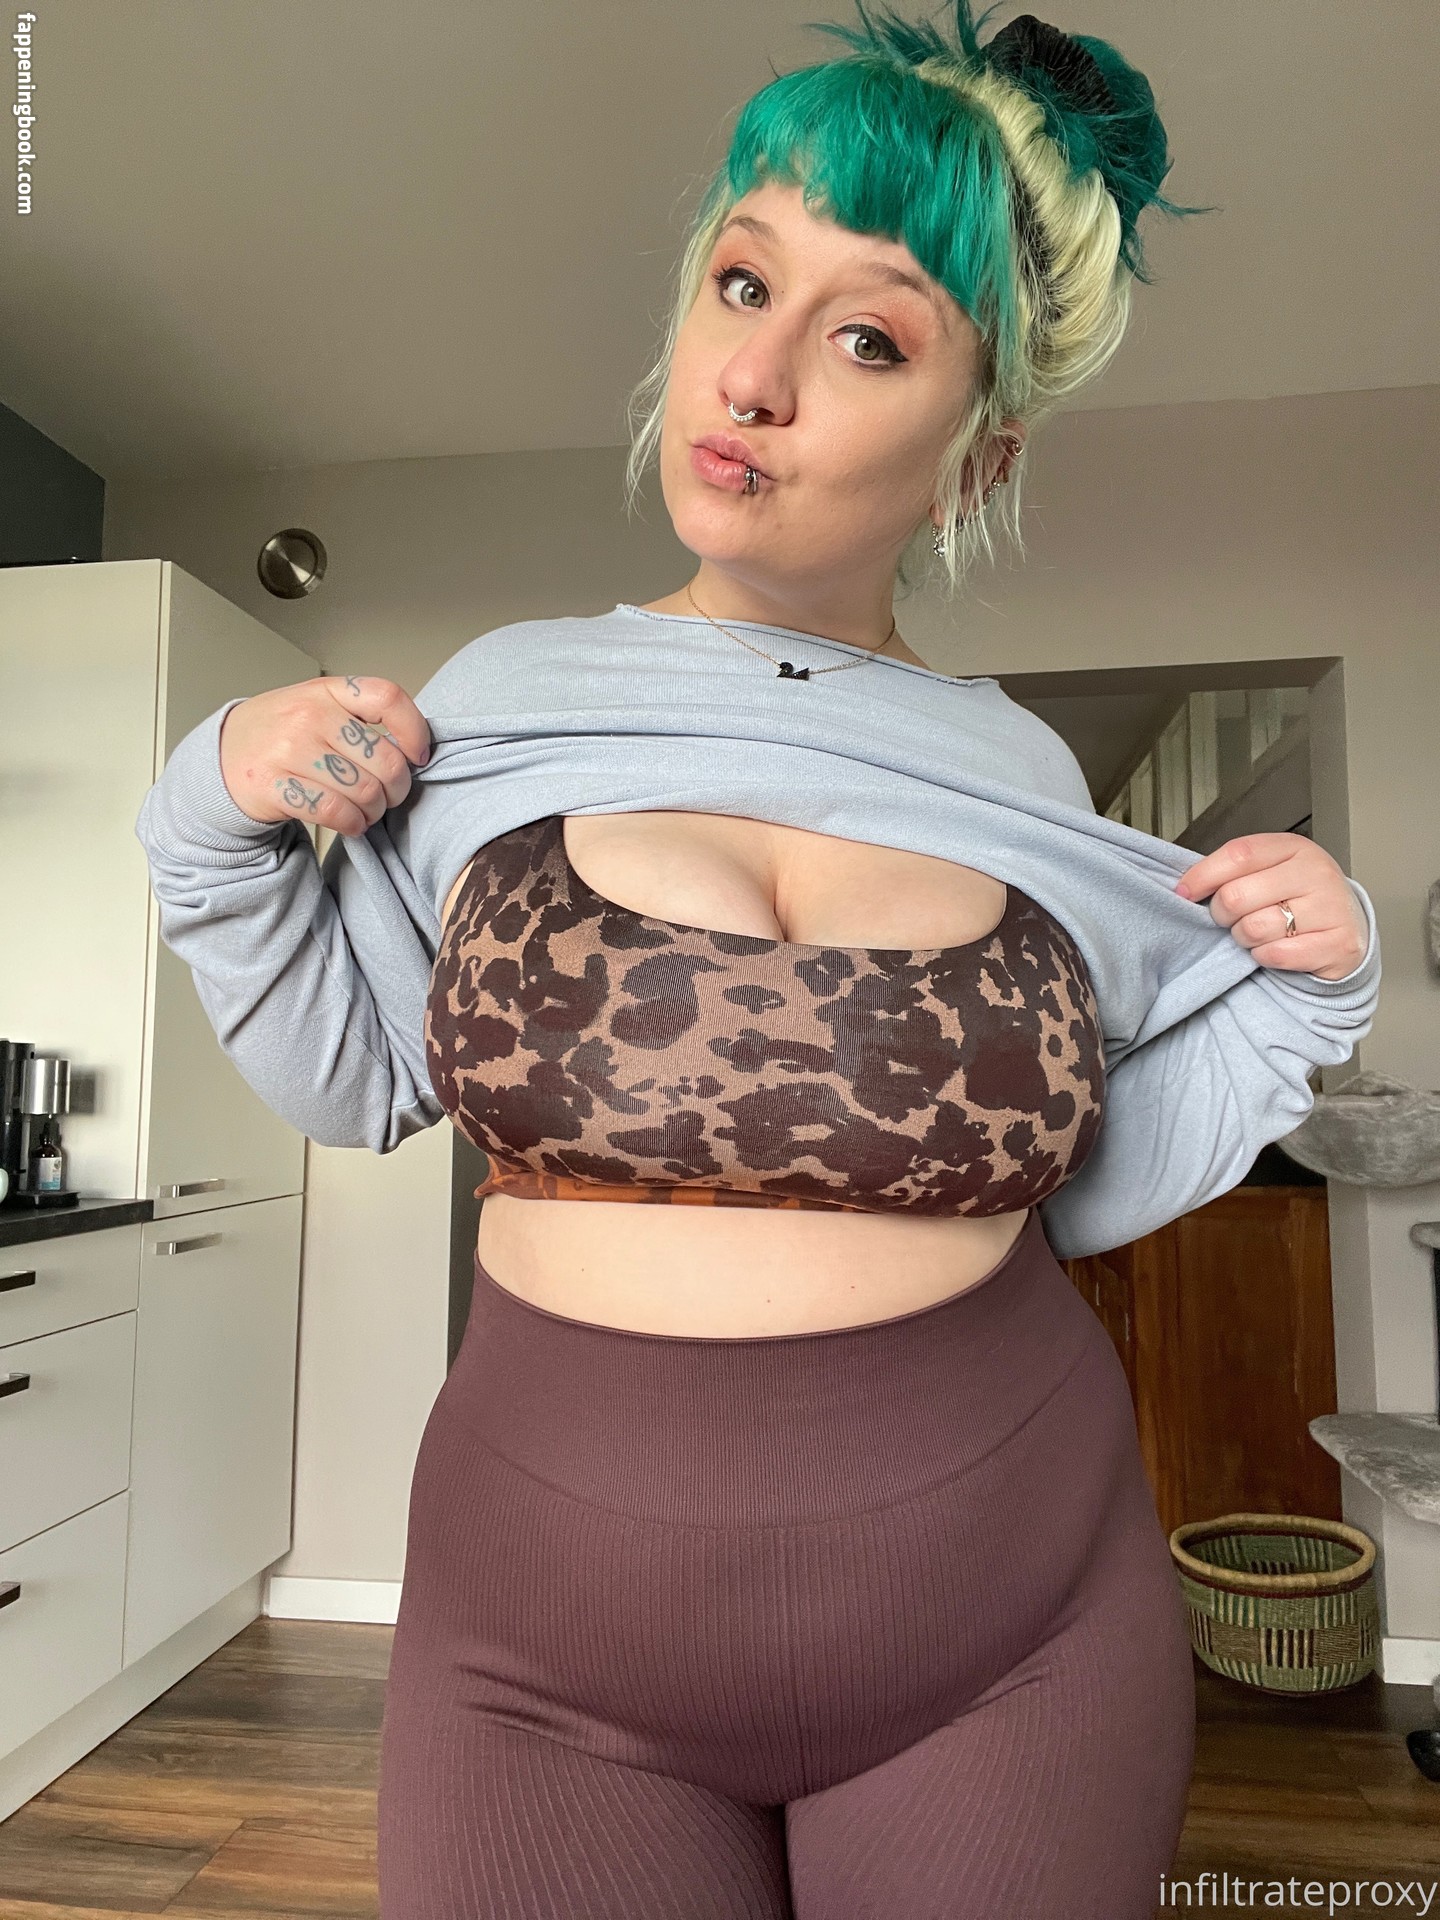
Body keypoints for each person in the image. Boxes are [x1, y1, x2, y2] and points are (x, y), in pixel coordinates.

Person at [137, 4, 1379, 1915]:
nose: (756, 375)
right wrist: (211, 802)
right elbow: (355, 1074)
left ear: (976, 459)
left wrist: (1315, 984)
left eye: (869, 337)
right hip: (541, 1663)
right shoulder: (502, 706)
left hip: (1016, 1642)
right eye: (742, 282)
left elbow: (1092, 1172)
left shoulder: (1027, 784)